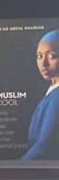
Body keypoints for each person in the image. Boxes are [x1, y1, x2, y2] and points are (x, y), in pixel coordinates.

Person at [23, 30, 59, 159]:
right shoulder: (52, 92)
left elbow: (44, 146)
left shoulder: (57, 98)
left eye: (52, 56)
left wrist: (17, 167)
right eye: (39, 56)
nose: (43, 64)